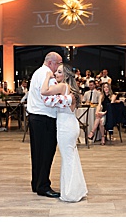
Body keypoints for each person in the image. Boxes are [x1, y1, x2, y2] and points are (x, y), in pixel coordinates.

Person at [40, 65, 86, 202]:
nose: (55, 74)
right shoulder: (72, 90)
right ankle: (76, 189)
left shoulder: (62, 86)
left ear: (65, 75)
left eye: (59, 72)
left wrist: (47, 77)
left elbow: (43, 91)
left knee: (68, 158)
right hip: (71, 125)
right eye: (56, 72)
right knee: (71, 157)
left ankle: (71, 193)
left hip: (65, 127)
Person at [26, 52, 63, 198]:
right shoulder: (47, 74)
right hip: (44, 117)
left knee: (37, 153)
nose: (59, 66)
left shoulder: (37, 72)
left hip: (35, 117)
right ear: (50, 63)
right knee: (46, 153)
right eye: (58, 63)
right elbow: (48, 96)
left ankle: (36, 183)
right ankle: (43, 186)